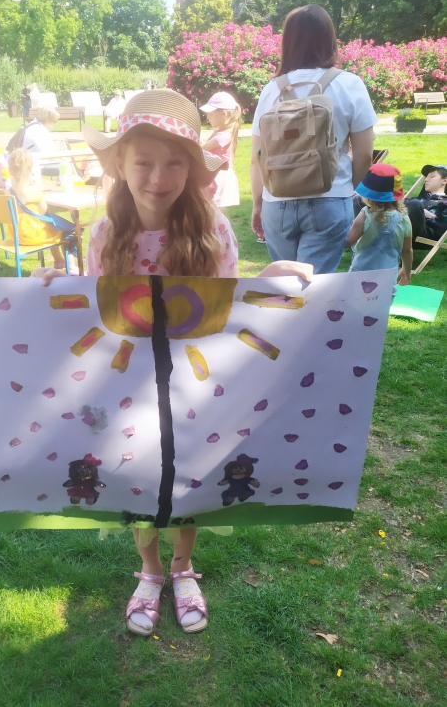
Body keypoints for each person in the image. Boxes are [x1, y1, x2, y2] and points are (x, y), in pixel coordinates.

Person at [31, 89, 313, 636]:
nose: (158, 177)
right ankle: (150, 571)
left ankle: (183, 567)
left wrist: (264, 279)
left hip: (194, 380)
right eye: (143, 162)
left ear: (191, 168)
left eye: (174, 163)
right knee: (134, 470)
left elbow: (228, 304)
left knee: (189, 471)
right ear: (120, 164)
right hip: (127, 380)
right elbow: (96, 307)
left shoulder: (212, 230)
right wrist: (58, 289)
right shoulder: (106, 234)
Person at [250, 5, 377, 274]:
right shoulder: (349, 84)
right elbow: (365, 154)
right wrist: (344, 188)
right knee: (312, 288)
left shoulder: (271, 89)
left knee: (285, 284)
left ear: (288, 41)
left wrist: (258, 204)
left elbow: (257, 157)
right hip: (329, 199)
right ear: (329, 38)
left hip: (276, 201)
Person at [346, 163, 412, 300]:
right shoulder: (404, 219)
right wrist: (406, 270)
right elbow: (407, 250)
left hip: (359, 274)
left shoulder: (365, 214)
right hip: (387, 279)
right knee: (380, 311)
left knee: (354, 308)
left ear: (368, 194)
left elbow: (348, 241)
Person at [7, 148, 75, 270]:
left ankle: (59, 260)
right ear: (30, 168)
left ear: (10, 169)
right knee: (64, 230)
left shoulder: (8, 191)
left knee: (49, 227)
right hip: (34, 235)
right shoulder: (34, 189)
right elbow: (43, 210)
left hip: (18, 236)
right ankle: (71, 265)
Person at [199, 92, 241, 208]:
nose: (208, 117)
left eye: (211, 113)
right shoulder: (221, 131)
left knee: (214, 211)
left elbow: (200, 149)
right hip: (217, 174)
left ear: (223, 114)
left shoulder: (222, 136)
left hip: (220, 177)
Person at [405, 165, 447, 247]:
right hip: (406, 229)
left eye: (432, 177)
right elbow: (401, 202)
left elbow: (439, 229)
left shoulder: (444, 203)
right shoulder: (421, 198)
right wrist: (424, 212)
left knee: (414, 204)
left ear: (444, 180)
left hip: (425, 236)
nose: (426, 179)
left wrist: (420, 212)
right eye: (426, 177)